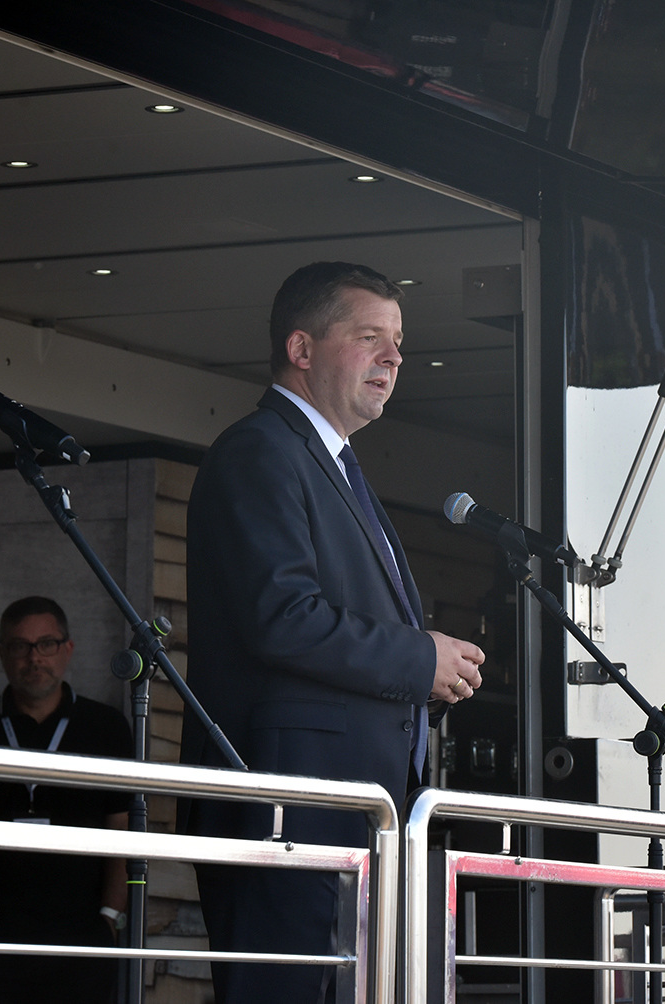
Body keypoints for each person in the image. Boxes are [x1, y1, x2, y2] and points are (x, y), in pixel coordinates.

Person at [180, 261, 485, 1004]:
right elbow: (282, 618)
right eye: (370, 337)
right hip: (289, 804)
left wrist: (432, 679)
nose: (394, 358)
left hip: (351, 811)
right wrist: (419, 658)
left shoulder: (335, 465)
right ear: (302, 349)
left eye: (400, 343)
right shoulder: (262, 450)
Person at [0, 596, 132, 1004]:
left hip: (75, 934)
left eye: (46, 644)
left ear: (67, 649)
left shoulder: (105, 726)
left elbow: (122, 830)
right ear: (2, 654)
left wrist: (109, 919)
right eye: (20, 646)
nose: (34, 657)